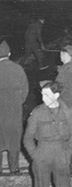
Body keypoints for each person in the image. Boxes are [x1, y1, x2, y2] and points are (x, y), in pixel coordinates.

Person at [23, 81, 72, 187]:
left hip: (61, 153)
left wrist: (67, 154)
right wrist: (35, 155)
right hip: (42, 152)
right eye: (42, 95)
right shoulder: (37, 112)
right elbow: (27, 138)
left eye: (47, 95)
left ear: (56, 95)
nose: (43, 98)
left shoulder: (67, 111)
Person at [0, 40, 29, 175]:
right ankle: (14, 168)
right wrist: (18, 102)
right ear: (9, 54)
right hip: (14, 112)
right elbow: (25, 89)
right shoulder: (18, 69)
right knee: (14, 140)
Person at [55, 44, 72, 133]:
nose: (60, 56)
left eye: (61, 54)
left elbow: (70, 90)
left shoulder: (70, 70)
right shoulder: (66, 68)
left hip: (67, 105)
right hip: (65, 104)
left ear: (66, 55)